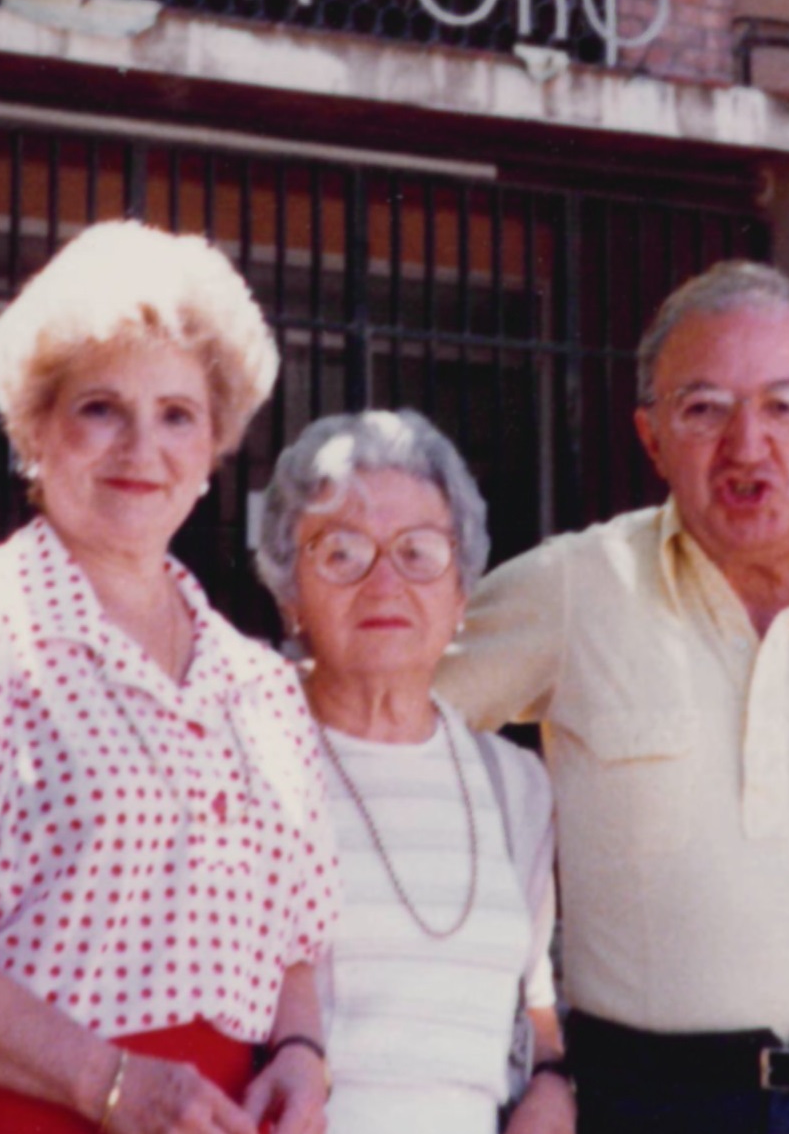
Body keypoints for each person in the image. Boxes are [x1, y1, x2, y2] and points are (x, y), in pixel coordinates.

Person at [0, 221, 338, 1134]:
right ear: (36, 428)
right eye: (100, 407)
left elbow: (296, 941)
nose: (141, 446)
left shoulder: (263, 688)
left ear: (213, 451)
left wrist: (300, 1055)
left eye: (177, 413)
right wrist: (111, 1082)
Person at [434, 260, 789, 1132]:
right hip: (643, 1102)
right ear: (651, 436)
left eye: (783, 406)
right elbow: (381, 726)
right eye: (703, 409)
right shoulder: (573, 589)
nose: (746, 445)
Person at [254, 410, 569, 1134]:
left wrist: (552, 1082)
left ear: (461, 592)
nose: (384, 582)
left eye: (419, 551)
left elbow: (530, 1003)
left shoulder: (514, 786)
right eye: (341, 552)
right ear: (288, 589)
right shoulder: (248, 758)